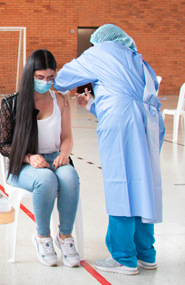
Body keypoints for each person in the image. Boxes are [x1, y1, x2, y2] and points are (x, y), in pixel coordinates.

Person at [54, 24, 163, 275]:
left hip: (122, 126)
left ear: (99, 41)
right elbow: (130, 97)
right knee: (142, 184)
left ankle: (124, 257)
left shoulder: (100, 52)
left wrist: (61, 90)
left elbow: (62, 79)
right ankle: (146, 253)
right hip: (148, 125)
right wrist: (93, 103)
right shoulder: (138, 59)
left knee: (121, 184)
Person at [0, 49, 80, 267]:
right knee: (46, 180)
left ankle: (65, 237)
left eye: (50, 78)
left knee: (70, 178)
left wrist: (64, 154)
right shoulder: (12, 103)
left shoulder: (60, 99)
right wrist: (29, 157)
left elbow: (67, 136)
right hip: (22, 163)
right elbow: (4, 146)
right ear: (29, 74)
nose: (45, 82)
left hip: (54, 157)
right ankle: (43, 237)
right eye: (40, 78)